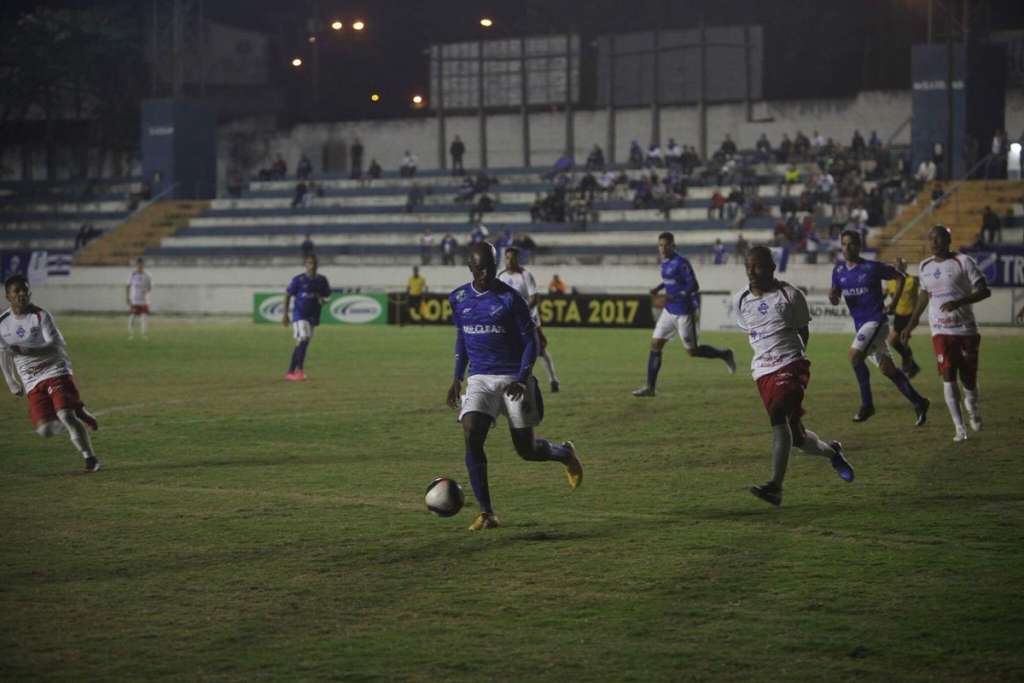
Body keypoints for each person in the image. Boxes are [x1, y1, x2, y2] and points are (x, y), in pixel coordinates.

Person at [446, 243, 583, 530]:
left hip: (513, 378)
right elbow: (462, 338)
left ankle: (564, 453)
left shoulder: (511, 299)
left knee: (526, 449)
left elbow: (531, 342)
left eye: (490, 267)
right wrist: (457, 376)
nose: (486, 273)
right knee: (471, 431)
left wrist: (522, 377)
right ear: (470, 268)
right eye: (480, 268)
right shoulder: (458, 298)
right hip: (480, 378)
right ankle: (487, 513)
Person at [734, 247, 854, 506]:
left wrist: (792, 359)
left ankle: (775, 487)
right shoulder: (741, 299)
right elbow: (751, 332)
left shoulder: (790, 295)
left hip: (792, 364)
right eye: (749, 266)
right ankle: (833, 453)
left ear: (772, 267)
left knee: (779, 415)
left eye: (759, 266)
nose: (753, 272)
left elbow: (803, 333)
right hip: (762, 371)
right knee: (797, 437)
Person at [0, 274, 101, 473]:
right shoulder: (2, 323)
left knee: (65, 415)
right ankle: (78, 410)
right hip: (31, 380)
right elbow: (3, 352)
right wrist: (11, 380)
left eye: (25, 290)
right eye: (17, 291)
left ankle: (90, 459)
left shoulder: (41, 315)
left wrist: (29, 351)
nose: (22, 294)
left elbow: (56, 347)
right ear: (7, 296)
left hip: (55, 369)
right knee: (46, 430)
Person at [900, 225, 991, 442]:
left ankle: (973, 406)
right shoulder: (925, 266)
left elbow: (984, 291)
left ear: (948, 240)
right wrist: (910, 324)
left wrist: (958, 302)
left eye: (938, 238)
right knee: (948, 375)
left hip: (966, 329)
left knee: (968, 379)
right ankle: (960, 428)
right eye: (930, 238)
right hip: (940, 330)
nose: (934, 242)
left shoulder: (963, 261)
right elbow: (924, 296)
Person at [829, 231, 930, 424]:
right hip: (862, 326)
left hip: (876, 321)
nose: (847, 248)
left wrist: (893, 303)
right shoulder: (839, 271)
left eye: (851, 244)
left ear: (859, 246)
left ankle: (867, 405)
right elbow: (835, 295)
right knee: (888, 369)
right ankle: (919, 402)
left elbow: (900, 277)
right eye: (844, 244)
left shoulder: (871, 267)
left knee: (854, 356)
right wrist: (833, 297)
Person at [632, 232, 736, 397]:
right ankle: (650, 388)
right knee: (655, 344)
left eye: (666, 245)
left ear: (673, 246)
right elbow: (668, 280)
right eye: (660, 245)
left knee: (692, 352)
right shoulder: (665, 263)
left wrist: (675, 296)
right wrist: (658, 289)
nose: (663, 248)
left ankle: (725, 354)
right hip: (669, 310)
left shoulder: (681, 262)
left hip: (685, 312)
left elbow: (694, 285)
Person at [499, 246, 561, 393]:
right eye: (508, 258)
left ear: (517, 259)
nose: (510, 261)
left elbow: (535, 297)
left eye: (513, 258)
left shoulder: (525, 275)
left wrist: (522, 312)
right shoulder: (500, 276)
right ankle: (513, 380)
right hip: (509, 321)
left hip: (529, 320)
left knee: (541, 350)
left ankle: (553, 379)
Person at [282, 254, 331, 381]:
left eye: (314, 264)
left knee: (301, 343)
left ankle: (290, 372)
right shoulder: (298, 280)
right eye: (309, 263)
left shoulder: (322, 280)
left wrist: (323, 301)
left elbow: (325, 296)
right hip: (300, 315)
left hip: (313, 316)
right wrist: (285, 314)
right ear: (305, 265)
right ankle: (299, 370)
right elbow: (287, 295)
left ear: (317, 265)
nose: (312, 266)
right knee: (303, 339)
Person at [885, 256, 922, 377]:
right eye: (896, 265)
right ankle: (912, 366)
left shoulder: (912, 280)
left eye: (900, 265)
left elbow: (925, 290)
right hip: (898, 315)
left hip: (910, 315)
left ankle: (907, 369)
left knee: (900, 341)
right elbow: (885, 294)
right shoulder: (890, 281)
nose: (898, 267)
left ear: (905, 267)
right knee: (894, 341)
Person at [126, 258, 152, 340]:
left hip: (144, 300)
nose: (140, 266)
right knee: (132, 317)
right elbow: (128, 286)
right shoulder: (133, 275)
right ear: (136, 265)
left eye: (141, 264)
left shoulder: (147, 275)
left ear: (143, 265)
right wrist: (127, 297)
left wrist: (146, 291)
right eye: (138, 264)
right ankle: (131, 334)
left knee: (144, 317)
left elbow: (149, 287)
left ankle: (144, 334)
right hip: (134, 300)